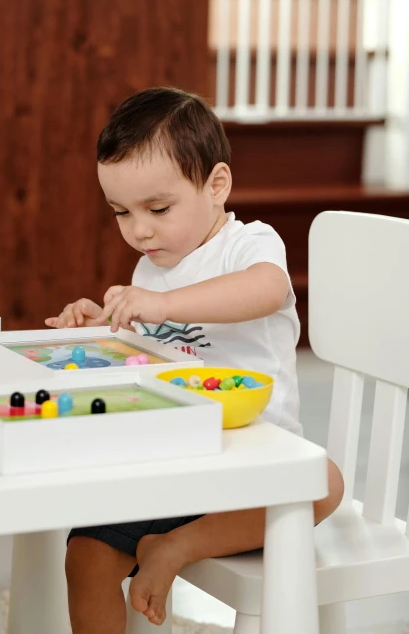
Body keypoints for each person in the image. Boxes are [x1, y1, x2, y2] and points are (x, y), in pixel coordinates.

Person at [46, 88, 344, 633]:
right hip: (173, 460)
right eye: (121, 212)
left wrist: (160, 303)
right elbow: (147, 358)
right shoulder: (151, 268)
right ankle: (165, 542)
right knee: (84, 554)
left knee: (324, 482)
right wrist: (102, 328)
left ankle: (176, 546)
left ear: (216, 185)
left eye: (158, 209)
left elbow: (265, 290)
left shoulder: (248, 245)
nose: (139, 230)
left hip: (252, 461)